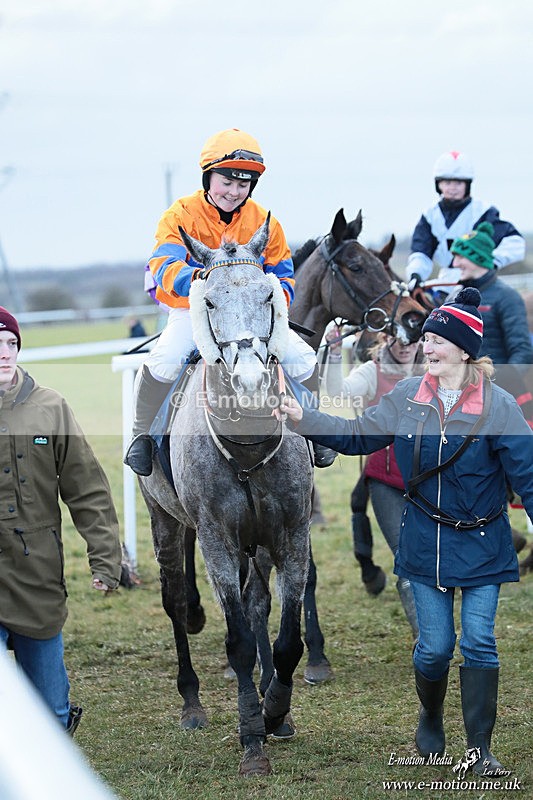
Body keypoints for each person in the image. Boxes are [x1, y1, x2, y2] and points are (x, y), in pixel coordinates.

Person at [277, 288, 533, 775]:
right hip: (426, 541)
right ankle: (431, 714)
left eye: (438, 340)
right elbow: (358, 436)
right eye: (427, 338)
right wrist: (303, 418)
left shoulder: (499, 406)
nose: (428, 347)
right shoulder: (406, 397)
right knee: (435, 648)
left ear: (464, 350)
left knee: (479, 641)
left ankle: (480, 751)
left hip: (483, 541)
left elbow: (528, 475)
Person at [124, 127, 336, 476]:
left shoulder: (264, 221)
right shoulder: (179, 216)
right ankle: (142, 436)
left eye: (243, 184)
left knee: (303, 358)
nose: (234, 191)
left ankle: (315, 430)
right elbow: (164, 263)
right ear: (209, 176)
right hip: (195, 309)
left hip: (253, 317)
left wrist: (271, 303)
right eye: (227, 181)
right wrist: (197, 281)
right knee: (166, 358)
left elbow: (283, 273)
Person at [0, 307, 122, 734]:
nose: (4, 353)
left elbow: (86, 487)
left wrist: (106, 559)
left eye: (11, 343)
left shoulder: (50, 407)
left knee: (51, 713)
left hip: (35, 574)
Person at [326, 327, 422, 637]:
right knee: (406, 559)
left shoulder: (435, 367)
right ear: (385, 338)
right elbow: (336, 392)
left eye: (413, 339)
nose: (405, 346)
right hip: (386, 479)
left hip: (430, 481)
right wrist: (334, 352)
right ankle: (427, 642)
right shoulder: (372, 371)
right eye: (398, 338)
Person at [406, 151, 526, 303]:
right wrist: (416, 274)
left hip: (480, 284)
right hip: (444, 284)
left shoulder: (483, 212)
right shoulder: (429, 216)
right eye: (447, 182)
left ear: (467, 185)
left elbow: (516, 242)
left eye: (458, 183)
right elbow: (420, 252)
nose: (453, 188)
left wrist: (491, 262)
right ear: (439, 185)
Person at [450, 221, 533, 424]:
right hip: (456, 393)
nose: (455, 263)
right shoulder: (453, 297)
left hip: (495, 396)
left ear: (477, 258)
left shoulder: (507, 296)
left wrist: (499, 384)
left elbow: (522, 351)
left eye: (461, 256)